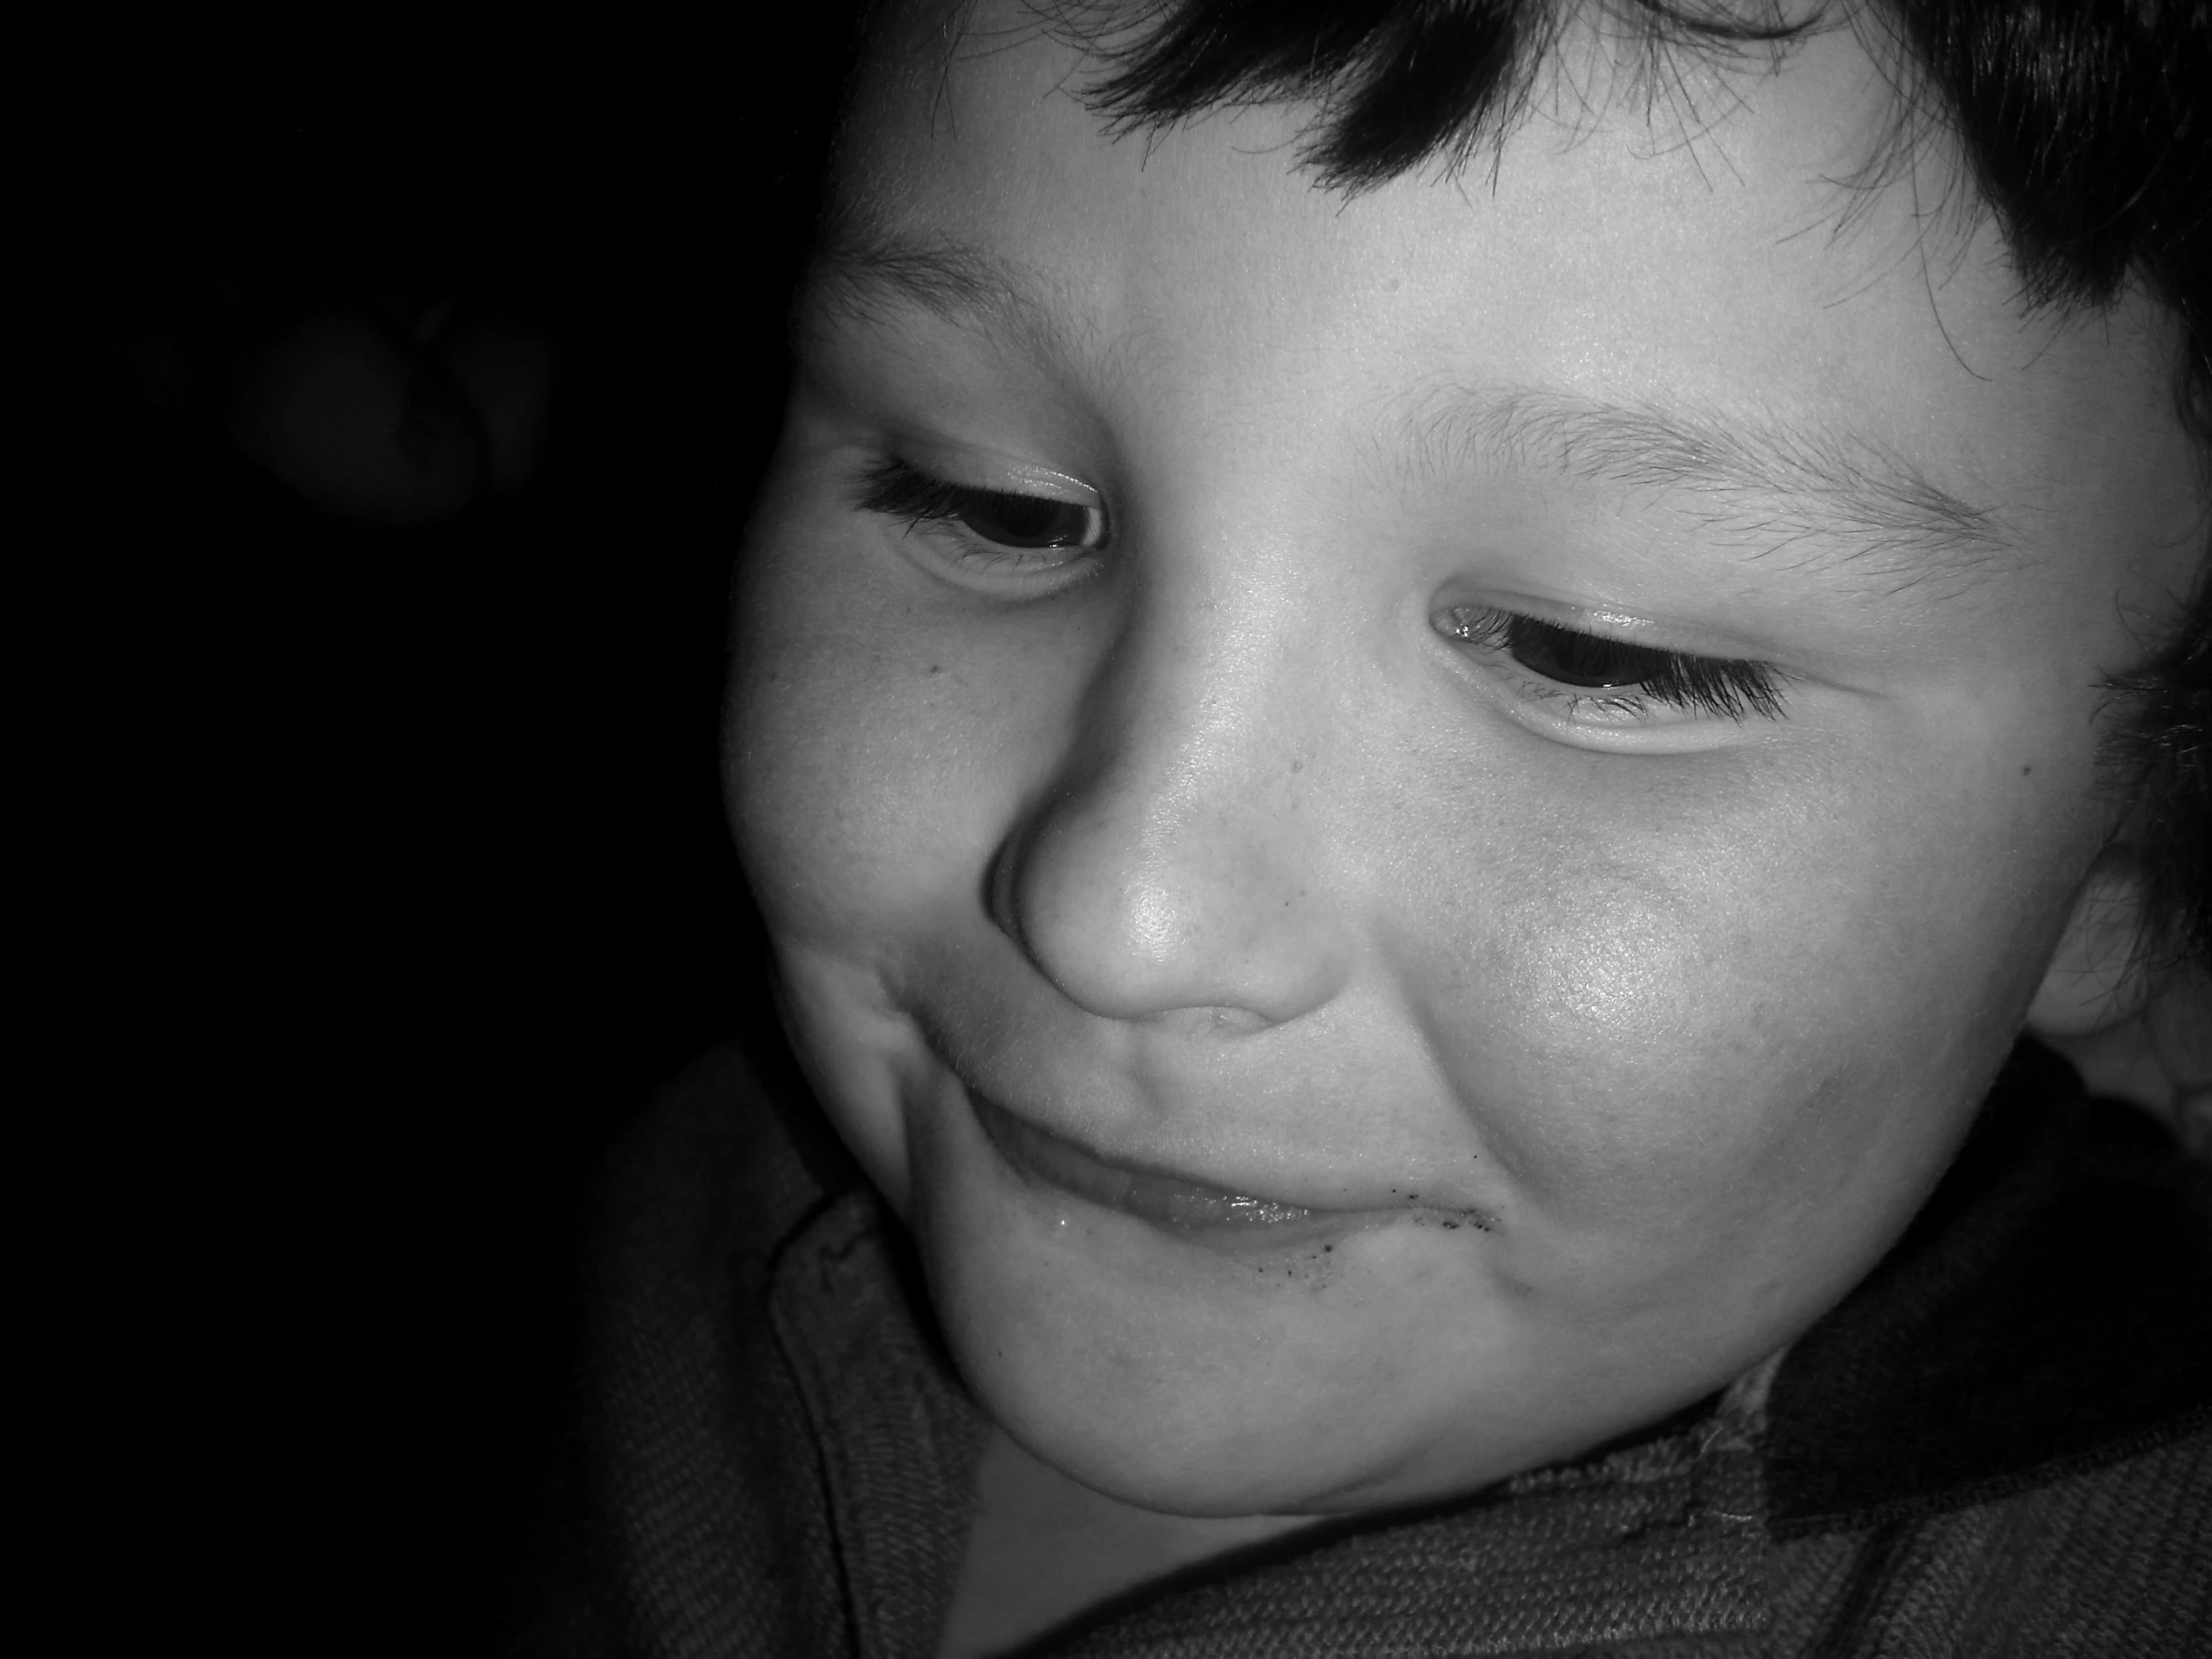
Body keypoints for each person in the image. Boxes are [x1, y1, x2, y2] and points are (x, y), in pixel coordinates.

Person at [521, 1, 2212, 1653]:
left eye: (1593, 652)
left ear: (2131, 836)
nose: (1123, 912)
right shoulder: (607, 1199)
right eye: (992, 505)